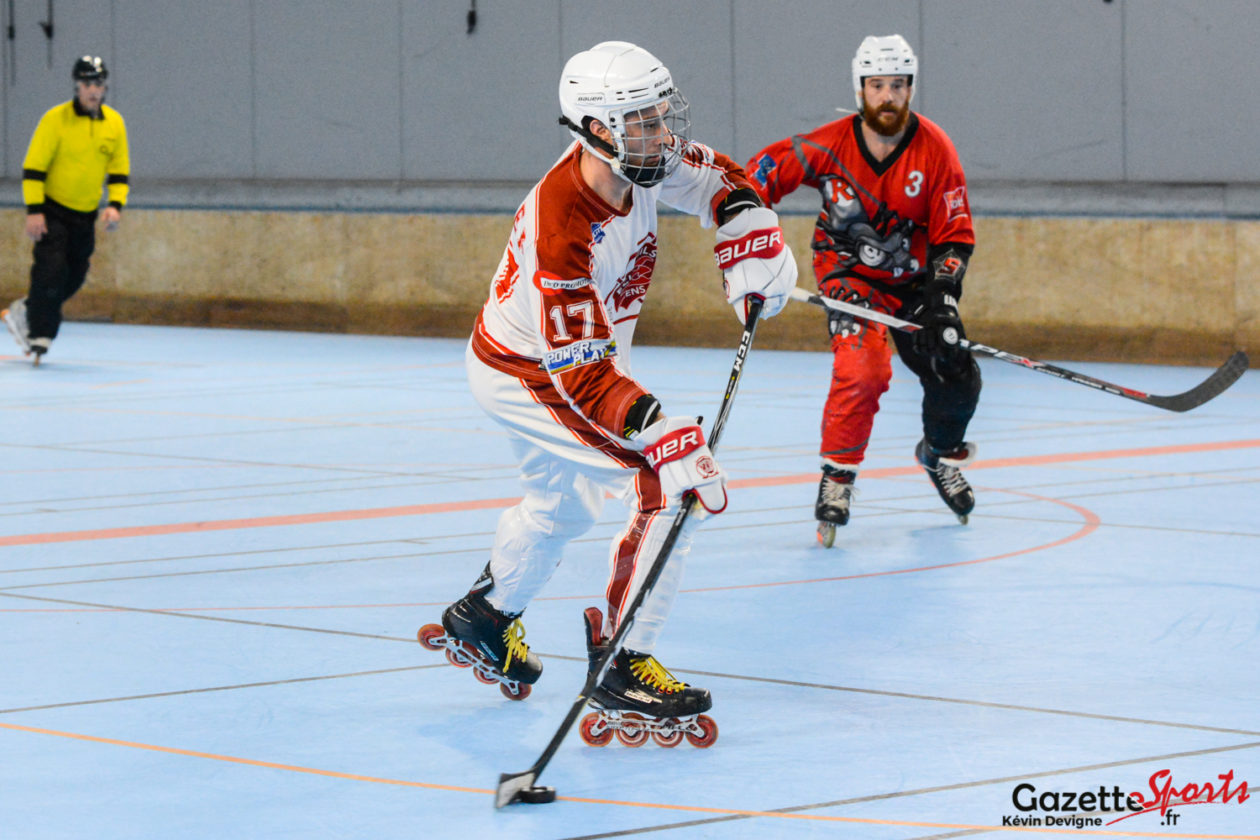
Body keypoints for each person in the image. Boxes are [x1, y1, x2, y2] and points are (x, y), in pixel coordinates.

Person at [417, 41, 796, 743]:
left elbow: (722, 180)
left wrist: (748, 231)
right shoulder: (561, 221)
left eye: (661, 115)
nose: (661, 133)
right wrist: (655, 427)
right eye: (642, 121)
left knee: (563, 505)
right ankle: (624, 659)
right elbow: (583, 375)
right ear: (595, 130)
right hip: (534, 370)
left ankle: (487, 617)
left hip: (564, 359)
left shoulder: (643, 160)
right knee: (670, 479)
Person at [745, 34, 981, 547]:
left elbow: (954, 234)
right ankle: (838, 476)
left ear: (910, 90)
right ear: (860, 90)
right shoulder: (830, 145)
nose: (888, 96)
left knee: (956, 371)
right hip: (850, 279)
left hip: (917, 282)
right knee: (864, 369)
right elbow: (758, 175)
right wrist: (744, 240)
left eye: (898, 85)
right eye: (878, 85)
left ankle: (938, 453)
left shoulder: (935, 149)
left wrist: (942, 299)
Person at [3, 56, 130, 365]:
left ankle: (27, 310)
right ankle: (41, 335)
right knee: (51, 270)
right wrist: (34, 210)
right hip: (52, 211)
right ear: (77, 86)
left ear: (105, 87)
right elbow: (34, 168)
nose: (93, 91)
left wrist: (115, 205)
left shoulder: (114, 124)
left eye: (98, 84)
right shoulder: (55, 119)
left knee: (74, 276)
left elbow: (119, 170)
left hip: (84, 214)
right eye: (87, 84)